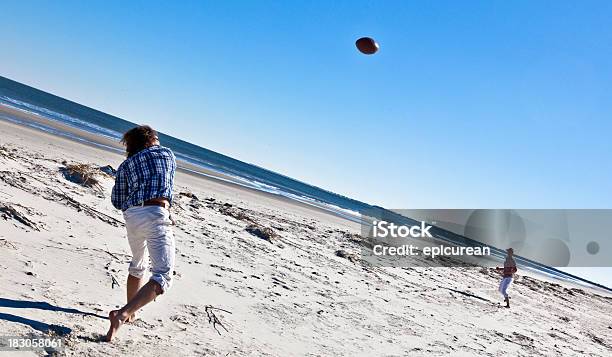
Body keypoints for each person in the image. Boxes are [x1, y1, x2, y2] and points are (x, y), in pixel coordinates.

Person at [105, 125, 177, 342]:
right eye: (156, 137)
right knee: (163, 275)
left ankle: (130, 315)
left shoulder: (126, 165)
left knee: (138, 264)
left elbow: (117, 201)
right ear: (151, 139)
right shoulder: (166, 154)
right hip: (155, 212)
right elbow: (168, 186)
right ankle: (123, 314)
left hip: (133, 216)